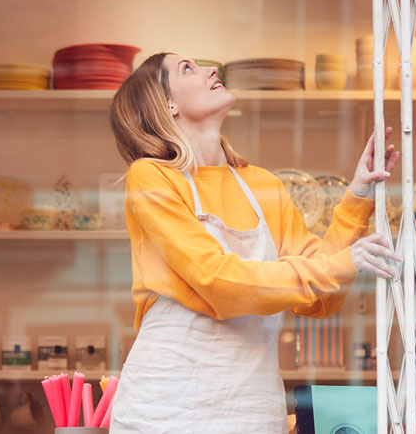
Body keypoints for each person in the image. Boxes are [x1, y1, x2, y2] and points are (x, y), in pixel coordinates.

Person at [107, 53, 401, 433]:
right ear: (167, 104)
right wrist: (344, 262)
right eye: (187, 69)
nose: (212, 70)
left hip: (251, 405)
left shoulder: (262, 185)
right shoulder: (151, 178)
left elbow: (320, 299)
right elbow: (217, 282)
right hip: (167, 404)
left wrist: (357, 198)